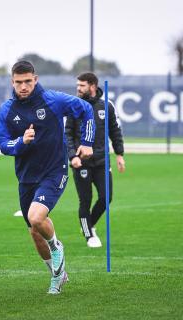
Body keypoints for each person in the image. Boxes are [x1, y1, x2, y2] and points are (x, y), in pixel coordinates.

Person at [0, 61, 95, 294]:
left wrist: (87, 143)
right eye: (18, 82)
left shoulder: (53, 100)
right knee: (34, 230)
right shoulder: (6, 110)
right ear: (12, 82)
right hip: (26, 176)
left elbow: (86, 111)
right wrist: (22, 141)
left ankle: (56, 246)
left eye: (28, 81)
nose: (23, 86)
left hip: (54, 171)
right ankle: (58, 274)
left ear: (35, 79)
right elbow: (2, 143)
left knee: (36, 217)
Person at [65, 72, 125, 248]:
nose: (78, 88)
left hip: (102, 162)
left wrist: (119, 154)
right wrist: (72, 156)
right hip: (81, 162)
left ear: (92, 86)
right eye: (78, 85)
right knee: (85, 201)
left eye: (82, 85)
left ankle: (89, 224)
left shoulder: (107, 106)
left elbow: (115, 131)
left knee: (106, 198)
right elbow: (67, 134)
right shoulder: (74, 107)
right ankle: (89, 235)